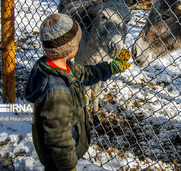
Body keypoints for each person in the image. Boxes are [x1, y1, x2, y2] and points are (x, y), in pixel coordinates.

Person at [24, 13, 131, 171]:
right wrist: (68, 167)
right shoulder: (56, 92)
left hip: (60, 155)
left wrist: (110, 68)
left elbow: (85, 74)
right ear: (70, 49)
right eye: (77, 43)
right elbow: (59, 138)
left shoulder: (58, 66)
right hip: (60, 161)